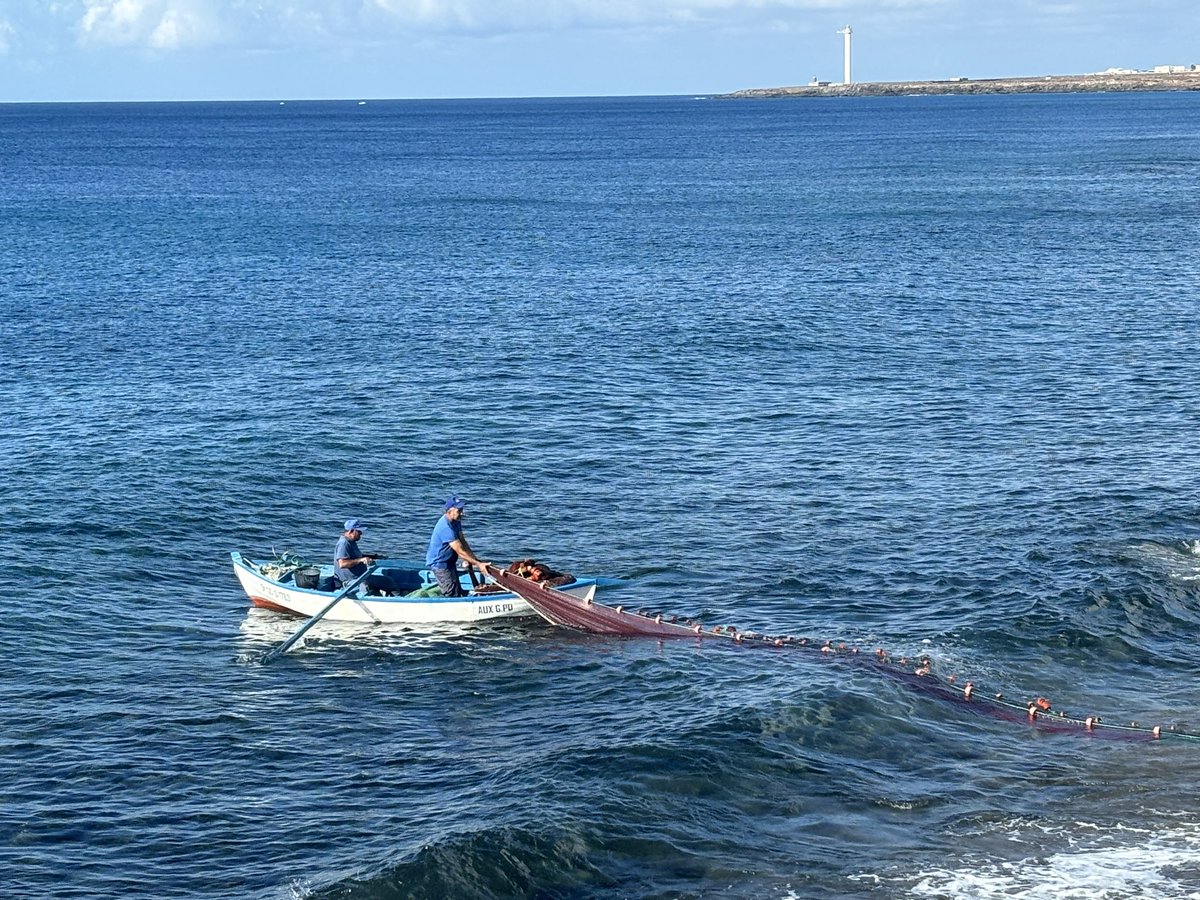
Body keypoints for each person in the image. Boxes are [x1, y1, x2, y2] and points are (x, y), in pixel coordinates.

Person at [425, 496, 493, 597]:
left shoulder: (456, 521)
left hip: (450, 562)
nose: (462, 513)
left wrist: (473, 559)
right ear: (449, 511)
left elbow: (463, 542)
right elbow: (460, 550)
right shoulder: (445, 527)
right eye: (459, 510)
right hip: (440, 564)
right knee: (451, 593)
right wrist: (478, 565)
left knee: (457, 590)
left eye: (462, 510)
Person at [334, 519, 397, 595]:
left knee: (388, 581)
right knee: (368, 585)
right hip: (351, 581)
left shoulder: (351, 542)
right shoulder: (344, 543)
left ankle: (394, 597)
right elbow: (342, 564)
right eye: (359, 531)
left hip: (361, 576)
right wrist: (361, 560)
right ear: (351, 531)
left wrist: (374, 557)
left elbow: (355, 556)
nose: (361, 534)